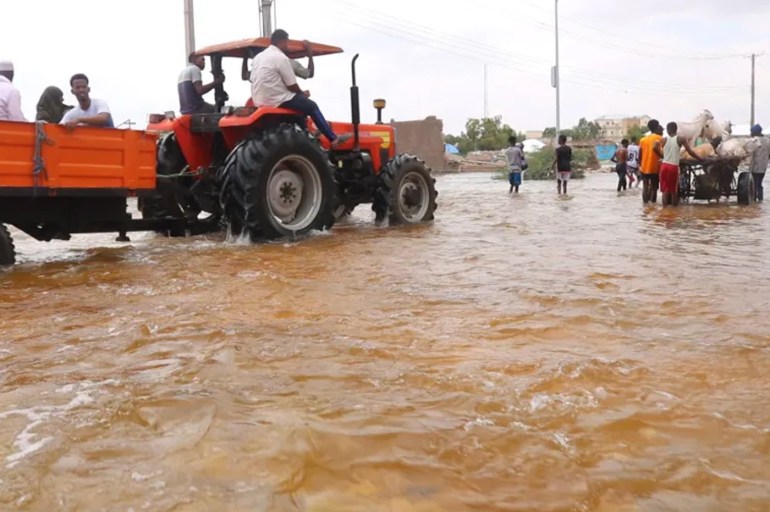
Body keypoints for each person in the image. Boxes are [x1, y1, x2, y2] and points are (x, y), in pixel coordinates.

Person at [250, 29, 350, 146]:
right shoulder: (281, 58)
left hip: (259, 99)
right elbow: (292, 85)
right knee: (311, 106)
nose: (287, 46)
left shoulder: (258, 58)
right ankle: (333, 138)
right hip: (277, 98)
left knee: (299, 114)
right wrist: (302, 93)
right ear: (282, 41)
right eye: (287, 43)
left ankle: (308, 136)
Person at [659, 121, 702, 207]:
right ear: (676, 129)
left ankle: (664, 211)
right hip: (673, 166)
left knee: (665, 191)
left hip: (664, 166)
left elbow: (656, 148)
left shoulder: (663, 140)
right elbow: (690, 151)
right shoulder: (681, 139)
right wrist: (700, 158)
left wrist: (663, 156)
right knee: (673, 190)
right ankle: (675, 211)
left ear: (667, 130)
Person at [639, 119, 663, 204]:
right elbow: (662, 152)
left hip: (644, 166)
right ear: (657, 127)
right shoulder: (660, 138)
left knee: (645, 186)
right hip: (655, 167)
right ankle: (653, 205)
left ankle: (645, 206)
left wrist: (640, 165)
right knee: (654, 187)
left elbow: (640, 154)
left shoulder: (642, 140)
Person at [748, 124, 770, 201]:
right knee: (759, 184)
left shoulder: (754, 140)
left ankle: (754, 201)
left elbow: (748, 151)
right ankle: (760, 201)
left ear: (754, 132)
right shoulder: (767, 140)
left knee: (754, 185)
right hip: (763, 167)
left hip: (755, 167)